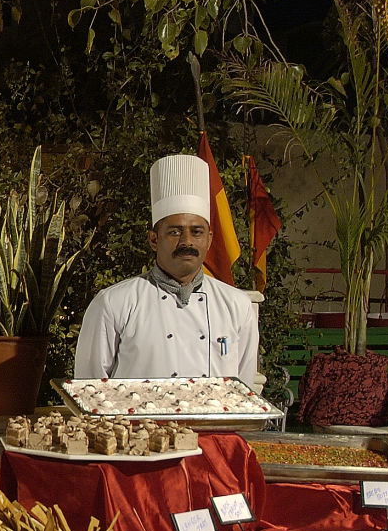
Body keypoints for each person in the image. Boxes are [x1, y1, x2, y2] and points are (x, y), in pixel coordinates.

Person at [74, 154, 259, 385]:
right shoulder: (114, 302)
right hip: (138, 421)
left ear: (209, 240)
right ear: (154, 239)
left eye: (197, 232)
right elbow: (90, 389)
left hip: (214, 422)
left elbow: (243, 391)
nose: (187, 242)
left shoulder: (236, 305)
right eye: (174, 231)